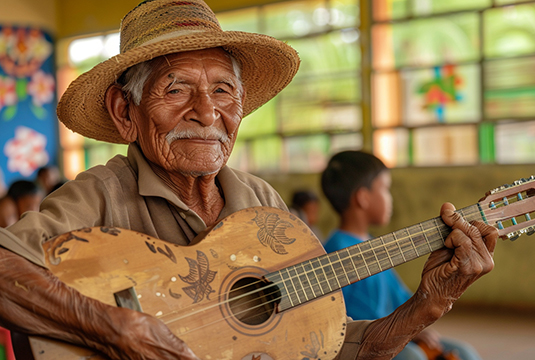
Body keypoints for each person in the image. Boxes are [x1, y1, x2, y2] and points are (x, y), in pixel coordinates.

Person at [0, 1, 497, 359]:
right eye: (176, 89)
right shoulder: (101, 192)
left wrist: (429, 303)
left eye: (223, 90)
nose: (206, 111)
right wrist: (114, 329)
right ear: (124, 111)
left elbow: (335, 347)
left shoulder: (262, 203)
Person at [322, 150, 483, 360]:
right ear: (362, 198)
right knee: (412, 356)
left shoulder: (373, 245)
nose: (390, 198)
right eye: (386, 189)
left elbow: (400, 298)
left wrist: (416, 327)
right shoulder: (337, 250)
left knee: (464, 353)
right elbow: (351, 321)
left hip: (397, 330)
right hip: (364, 342)